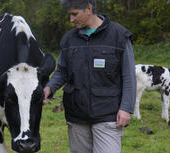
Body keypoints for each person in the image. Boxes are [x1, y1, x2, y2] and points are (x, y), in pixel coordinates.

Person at [43, 0, 136, 153]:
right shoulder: (68, 39)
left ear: (89, 8)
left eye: (75, 14)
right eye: (70, 15)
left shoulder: (118, 35)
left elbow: (129, 76)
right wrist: (48, 89)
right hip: (76, 115)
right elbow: (62, 71)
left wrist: (126, 108)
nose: (71, 20)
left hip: (108, 114)